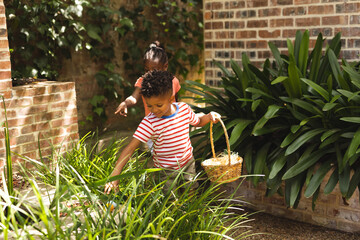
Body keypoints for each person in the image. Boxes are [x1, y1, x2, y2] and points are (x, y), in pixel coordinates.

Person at [104, 70, 221, 195]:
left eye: (159, 105)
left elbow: (198, 121)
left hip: (188, 163)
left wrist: (209, 117)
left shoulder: (184, 109)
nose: (154, 110)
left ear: (171, 98)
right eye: (149, 106)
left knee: (190, 192)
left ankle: (190, 212)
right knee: (170, 201)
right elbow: (130, 149)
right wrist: (114, 177)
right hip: (165, 170)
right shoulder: (149, 123)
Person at [115, 41, 181, 117]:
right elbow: (134, 97)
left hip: (171, 122)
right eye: (147, 70)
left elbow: (176, 101)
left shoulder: (173, 81)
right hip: (153, 124)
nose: (150, 73)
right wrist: (126, 103)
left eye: (154, 70)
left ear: (165, 66)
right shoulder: (143, 81)